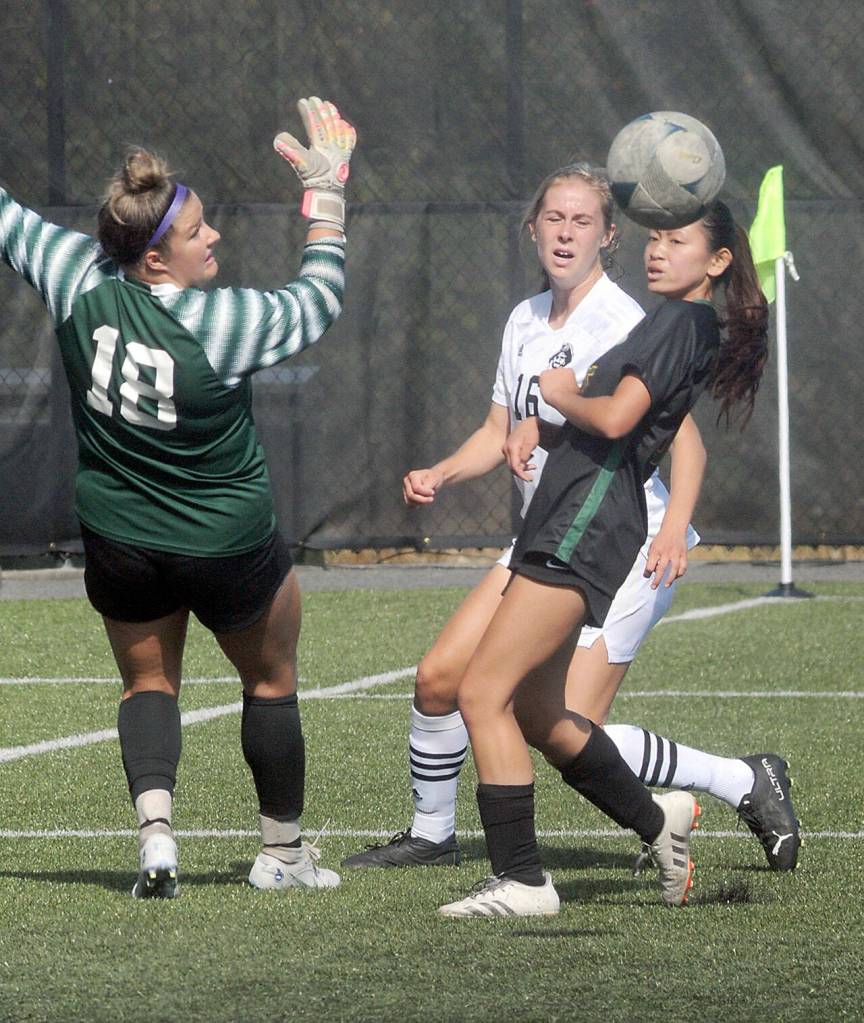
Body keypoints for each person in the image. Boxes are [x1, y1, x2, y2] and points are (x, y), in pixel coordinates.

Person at [342, 165, 798, 883]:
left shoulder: (631, 319)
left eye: (582, 220)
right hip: (547, 531)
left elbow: (679, 438)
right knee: (443, 680)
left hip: (618, 536)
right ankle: (435, 834)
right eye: (552, 216)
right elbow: (507, 426)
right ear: (532, 227)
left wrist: (676, 525)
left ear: (606, 236)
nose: (564, 230)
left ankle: (736, 782)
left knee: (559, 716)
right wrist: (443, 471)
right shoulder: (524, 319)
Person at [0, 96, 356, 898]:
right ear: (157, 258)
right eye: (199, 231)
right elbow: (320, 294)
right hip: (226, 539)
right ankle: (284, 853)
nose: (215, 236)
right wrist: (327, 190)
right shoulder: (225, 322)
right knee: (270, 680)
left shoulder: (73, 274)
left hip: (120, 538)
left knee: (147, 685)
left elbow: (5, 217)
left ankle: (157, 837)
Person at [434, 192, 774, 916]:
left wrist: (557, 394)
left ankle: (523, 880)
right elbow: (615, 427)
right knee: (536, 709)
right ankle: (661, 822)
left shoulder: (682, 322)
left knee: (478, 692)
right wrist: (540, 425)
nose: (658, 249)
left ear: (716, 261)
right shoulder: (666, 321)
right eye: (655, 238)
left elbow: (619, 417)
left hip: (583, 522)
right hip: (571, 514)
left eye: (677, 241)